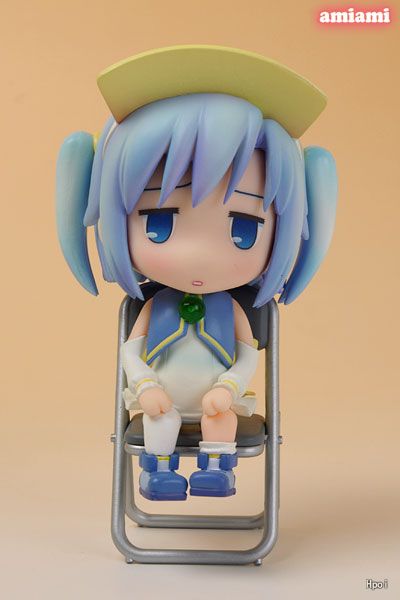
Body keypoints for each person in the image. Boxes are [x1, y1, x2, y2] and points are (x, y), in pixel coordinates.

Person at [56, 45, 337, 500]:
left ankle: (217, 469)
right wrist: (145, 385)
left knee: (219, 419)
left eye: (244, 230)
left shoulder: (233, 311)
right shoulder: (152, 308)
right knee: (159, 420)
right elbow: (131, 353)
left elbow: (247, 355)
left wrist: (229, 386)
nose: (199, 256)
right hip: (160, 398)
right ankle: (158, 474)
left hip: (217, 401)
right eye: (159, 223)